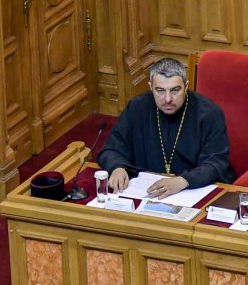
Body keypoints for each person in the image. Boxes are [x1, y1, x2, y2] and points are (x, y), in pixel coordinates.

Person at [97, 57, 235, 199]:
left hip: (191, 192)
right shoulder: (138, 107)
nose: (168, 99)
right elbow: (111, 149)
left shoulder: (209, 113)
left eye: (175, 90)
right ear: (151, 87)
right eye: (160, 90)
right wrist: (117, 167)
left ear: (186, 87)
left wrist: (184, 181)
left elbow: (217, 162)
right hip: (146, 193)